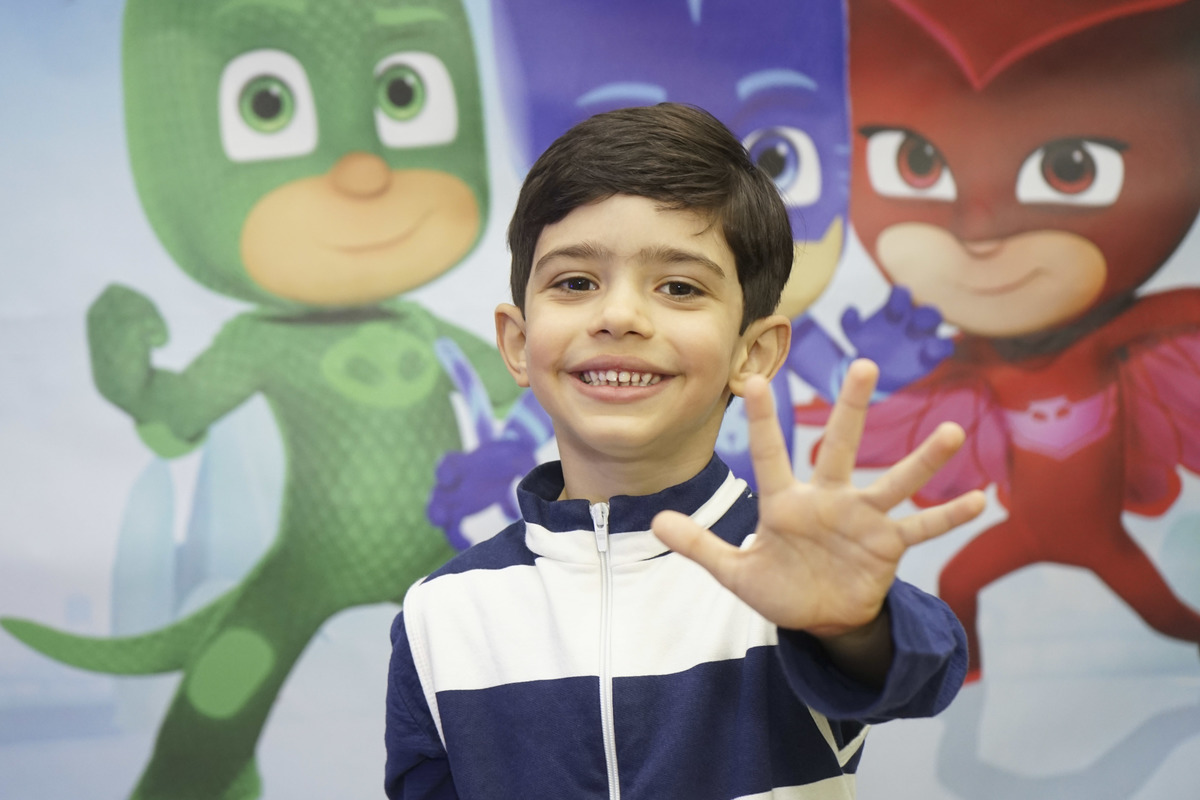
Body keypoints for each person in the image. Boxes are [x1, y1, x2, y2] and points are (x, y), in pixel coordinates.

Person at [384, 103, 986, 799]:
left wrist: (850, 624)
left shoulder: (791, 574)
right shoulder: (443, 614)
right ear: (518, 343)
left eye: (679, 287)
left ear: (753, 353)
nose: (619, 316)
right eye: (576, 282)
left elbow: (923, 669)